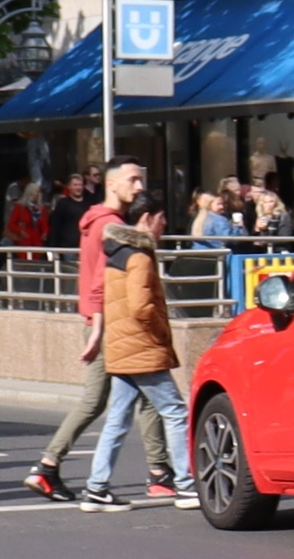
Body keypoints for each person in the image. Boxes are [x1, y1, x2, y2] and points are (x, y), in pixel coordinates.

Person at [23, 158, 175, 502]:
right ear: (112, 184)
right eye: (133, 180)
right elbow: (99, 280)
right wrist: (96, 325)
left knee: (133, 396)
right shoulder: (109, 224)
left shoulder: (99, 221)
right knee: (111, 397)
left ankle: (156, 471)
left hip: (107, 322)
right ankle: (49, 466)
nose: (139, 187)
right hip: (112, 324)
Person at [77, 193, 196, 512]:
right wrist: (160, 335)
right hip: (142, 348)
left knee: (117, 419)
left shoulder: (116, 252)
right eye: (161, 219)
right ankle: (185, 485)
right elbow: (142, 306)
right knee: (175, 412)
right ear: (147, 219)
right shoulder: (140, 256)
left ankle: (96, 488)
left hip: (121, 347)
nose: (164, 226)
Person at [44, 173, 84, 249]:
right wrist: (53, 247)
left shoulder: (88, 203)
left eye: (80, 185)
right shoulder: (63, 204)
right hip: (68, 247)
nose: (78, 188)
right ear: (68, 187)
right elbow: (55, 226)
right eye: (75, 185)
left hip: (85, 246)